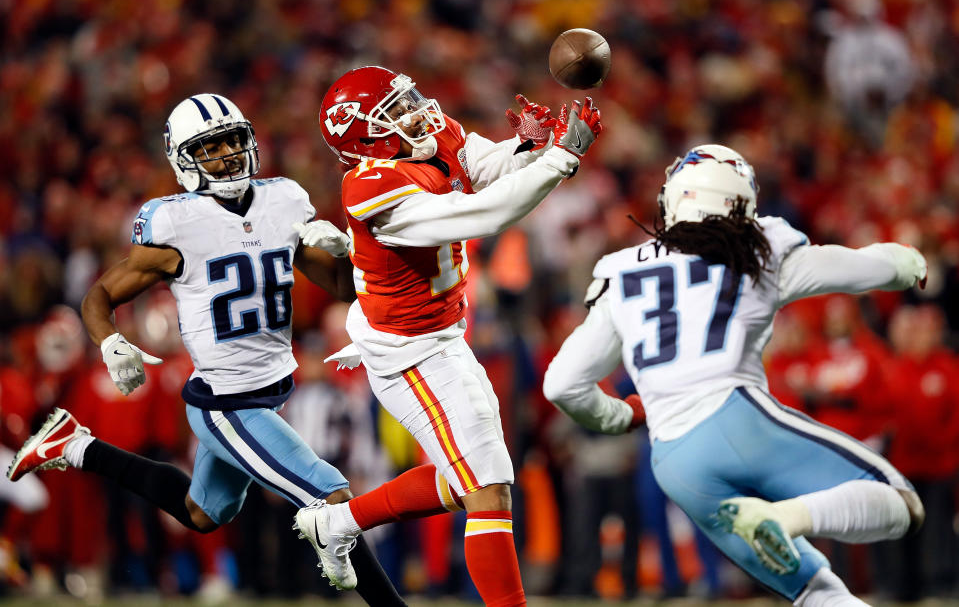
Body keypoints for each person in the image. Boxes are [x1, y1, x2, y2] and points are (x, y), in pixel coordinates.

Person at [6, 93, 406, 604]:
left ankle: (73, 445)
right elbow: (99, 295)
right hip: (226, 403)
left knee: (202, 514)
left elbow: (347, 289)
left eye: (234, 141)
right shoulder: (175, 223)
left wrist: (349, 253)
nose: (228, 155)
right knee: (329, 493)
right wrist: (110, 341)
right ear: (183, 159)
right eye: (212, 147)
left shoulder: (283, 200)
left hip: (268, 392)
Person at [542, 144, 927, 606]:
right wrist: (908, 264)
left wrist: (619, 417)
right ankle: (784, 518)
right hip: (738, 419)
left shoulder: (621, 270)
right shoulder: (759, 248)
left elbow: (562, 383)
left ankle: (782, 522)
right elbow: (866, 268)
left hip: (675, 461)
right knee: (901, 501)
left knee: (813, 590)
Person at [294, 65, 602, 606]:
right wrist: (561, 158)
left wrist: (526, 148)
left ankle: (339, 522)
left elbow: (481, 169)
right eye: (394, 110)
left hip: (441, 334)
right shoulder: (371, 186)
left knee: (475, 475)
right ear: (365, 134)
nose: (415, 112)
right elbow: (483, 211)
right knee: (487, 485)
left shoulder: (426, 142)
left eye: (408, 98)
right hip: (406, 351)